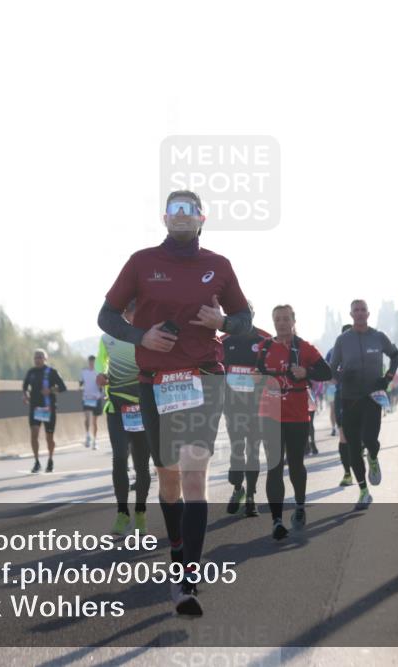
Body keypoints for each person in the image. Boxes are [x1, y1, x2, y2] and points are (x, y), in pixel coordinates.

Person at [98, 189, 251, 616]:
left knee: (195, 478)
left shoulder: (218, 266)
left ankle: (187, 579)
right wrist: (139, 336)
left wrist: (223, 322)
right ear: (164, 218)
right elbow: (106, 315)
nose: (182, 215)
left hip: (204, 379)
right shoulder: (142, 262)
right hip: (156, 382)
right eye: (174, 208)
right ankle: (178, 549)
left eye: (190, 209)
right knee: (168, 480)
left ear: (202, 217)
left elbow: (245, 319)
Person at [256, 305, 331, 540]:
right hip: (270, 415)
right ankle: (277, 521)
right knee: (274, 466)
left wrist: (305, 372)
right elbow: (255, 377)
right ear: (273, 322)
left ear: (293, 320)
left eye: (286, 318)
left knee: (296, 464)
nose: (281, 323)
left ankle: (299, 505)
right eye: (277, 319)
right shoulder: (264, 347)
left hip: (297, 415)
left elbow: (326, 372)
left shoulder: (304, 347)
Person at [328, 300, 398, 509]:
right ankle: (363, 491)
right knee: (352, 447)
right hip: (349, 399)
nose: (359, 314)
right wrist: (343, 376)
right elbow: (332, 370)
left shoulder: (378, 337)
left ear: (368, 314)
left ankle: (373, 457)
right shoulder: (343, 340)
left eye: (363, 310)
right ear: (351, 314)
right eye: (356, 311)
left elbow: (395, 356)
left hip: (373, 396)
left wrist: (387, 377)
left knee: (370, 439)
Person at [96, 300, 151, 535]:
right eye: (130, 312)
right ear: (123, 314)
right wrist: (100, 373)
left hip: (143, 408)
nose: (133, 316)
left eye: (138, 312)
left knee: (141, 465)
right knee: (119, 457)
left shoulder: (148, 336)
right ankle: (122, 513)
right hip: (116, 407)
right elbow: (101, 361)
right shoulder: (107, 337)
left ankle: (140, 512)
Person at [220, 309, 270, 518]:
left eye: (246, 314)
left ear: (253, 315)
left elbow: (272, 369)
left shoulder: (265, 339)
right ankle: (238, 488)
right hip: (232, 406)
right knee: (237, 450)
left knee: (253, 451)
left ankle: (250, 498)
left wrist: (264, 376)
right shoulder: (223, 341)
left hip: (257, 406)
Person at [22, 349, 66, 473]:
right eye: (36, 357)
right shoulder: (31, 372)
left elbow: (63, 387)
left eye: (40, 357)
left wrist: (51, 390)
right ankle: (36, 462)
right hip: (35, 408)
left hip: (49, 408)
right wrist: (25, 395)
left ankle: (50, 459)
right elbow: (25, 387)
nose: (38, 359)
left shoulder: (52, 372)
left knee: (49, 437)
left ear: (45, 358)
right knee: (34, 434)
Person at [326, 324, 353, 485]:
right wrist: (334, 379)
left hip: (361, 397)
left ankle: (366, 450)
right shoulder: (333, 352)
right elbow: (326, 373)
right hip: (341, 395)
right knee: (343, 434)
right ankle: (347, 474)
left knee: (359, 434)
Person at [79, 355, 104, 450]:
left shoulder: (98, 372)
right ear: (88, 362)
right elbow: (81, 382)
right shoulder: (84, 371)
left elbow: (102, 384)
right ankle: (87, 436)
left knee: (94, 421)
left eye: (93, 362)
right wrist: (80, 384)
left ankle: (95, 441)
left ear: (95, 362)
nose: (91, 363)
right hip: (86, 398)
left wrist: (101, 391)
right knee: (86, 418)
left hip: (96, 399)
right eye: (90, 361)